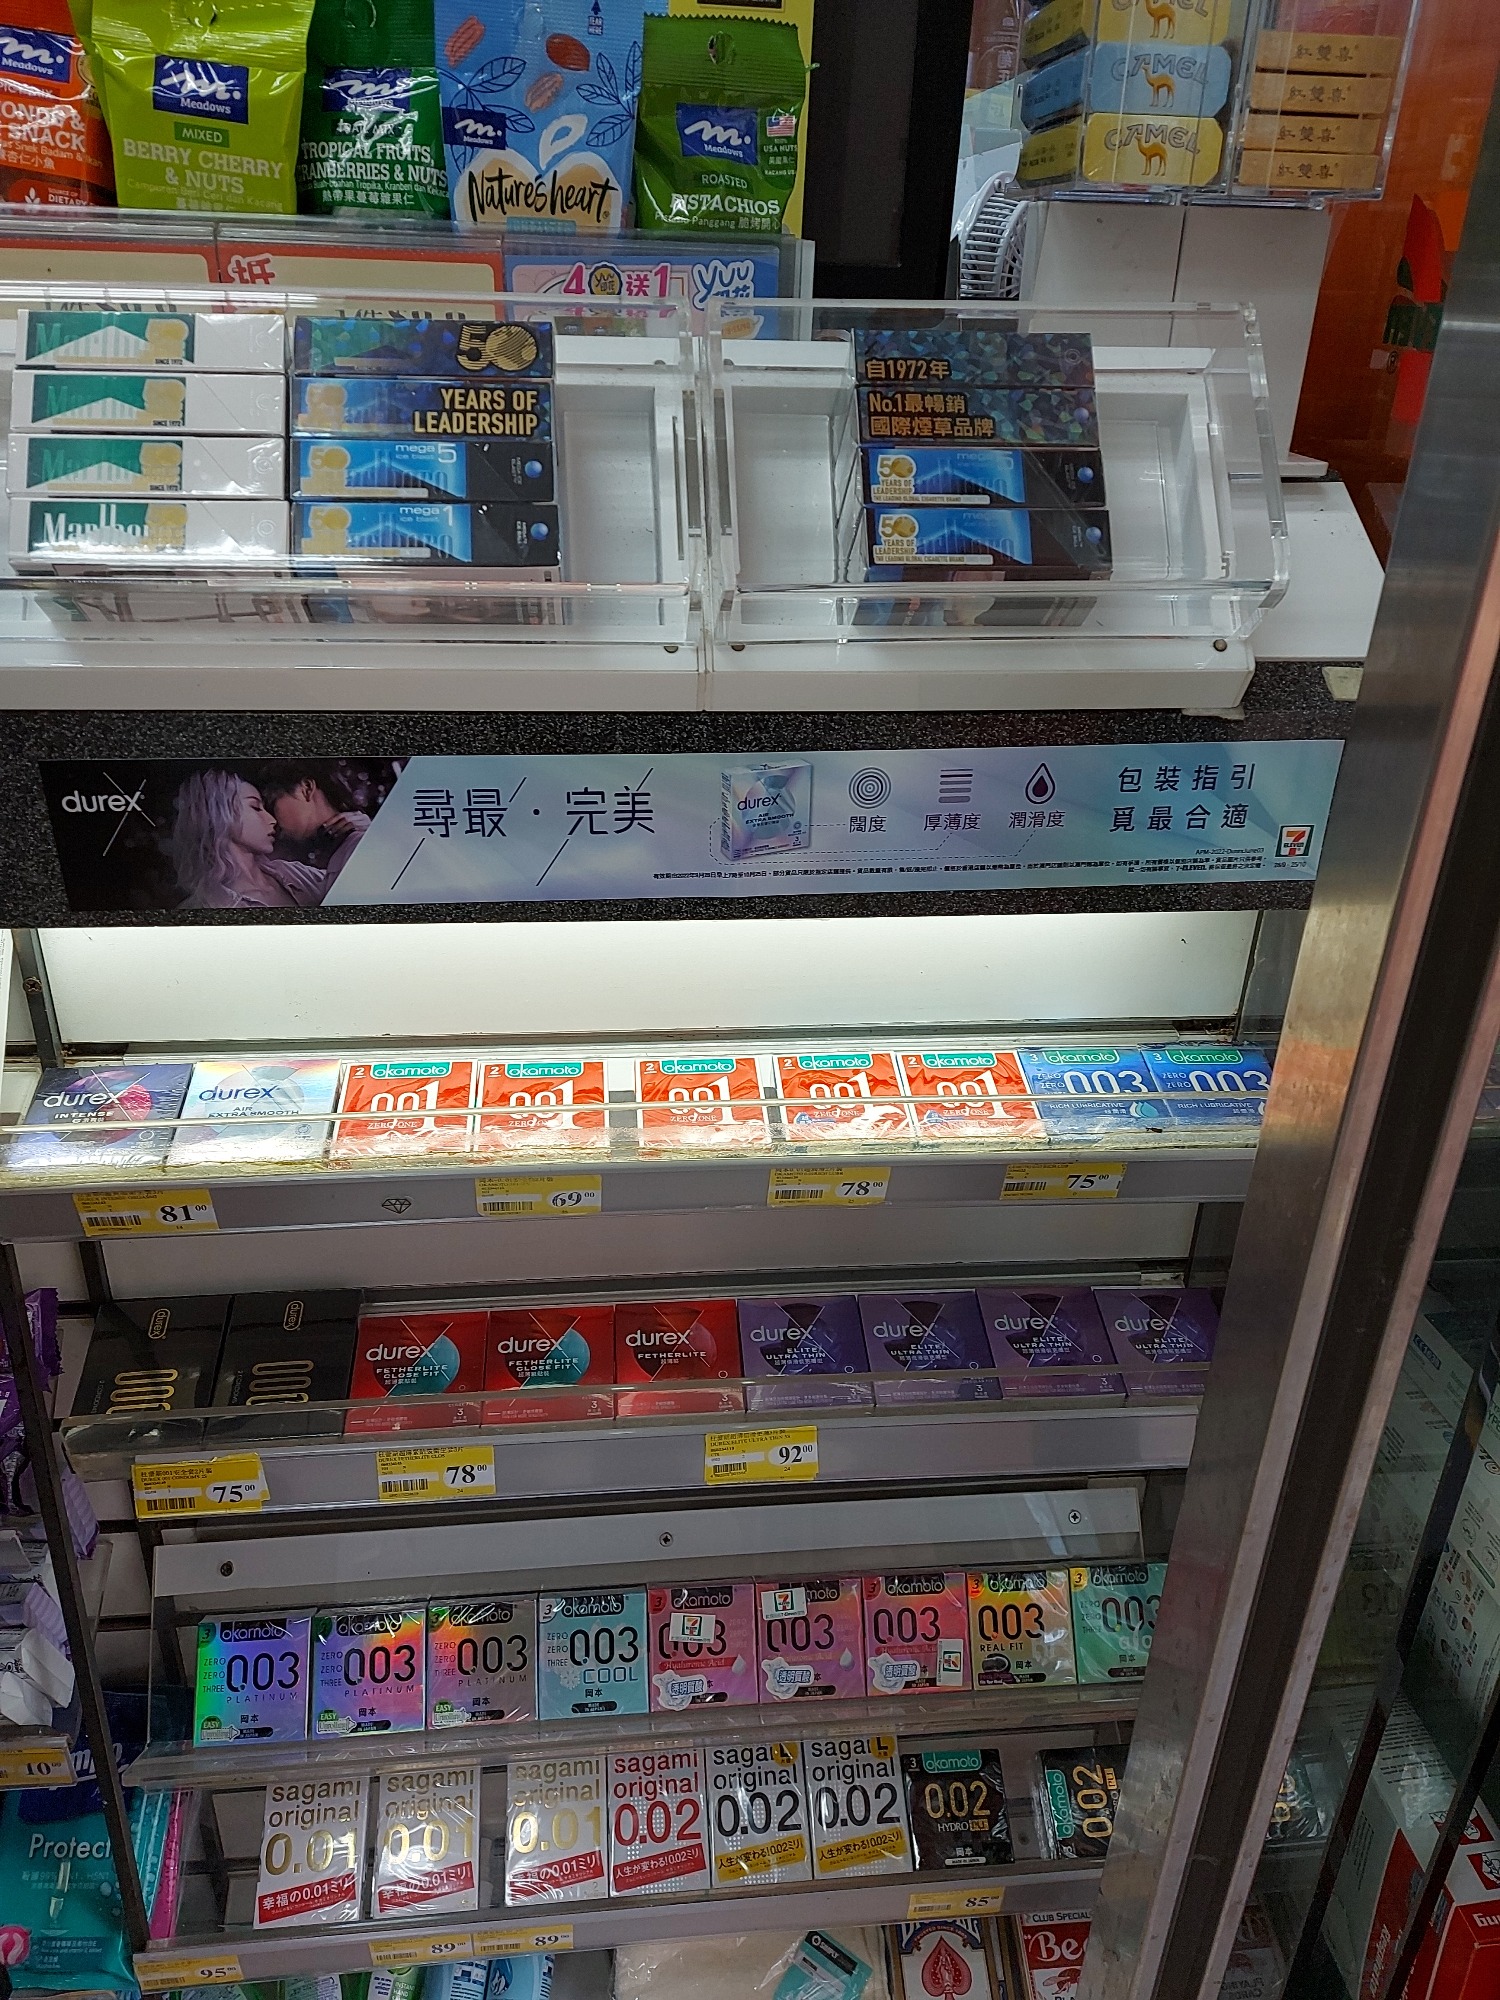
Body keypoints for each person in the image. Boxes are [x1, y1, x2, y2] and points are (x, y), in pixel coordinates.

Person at [167, 769, 327, 910]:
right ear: (220, 814)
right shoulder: (204, 908)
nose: (272, 820)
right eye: (255, 807)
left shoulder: (291, 872)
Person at [256, 763, 372, 889]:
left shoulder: (360, 846)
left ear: (306, 788)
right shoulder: (334, 859)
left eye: (271, 806)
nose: (270, 819)